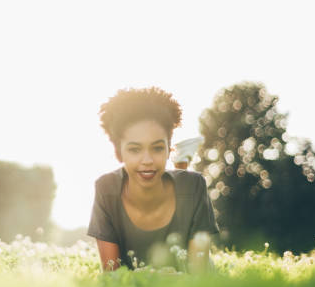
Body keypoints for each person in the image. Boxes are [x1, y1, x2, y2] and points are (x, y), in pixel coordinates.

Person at [87, 87, 220, 272]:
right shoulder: (106, 189)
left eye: (157, 148)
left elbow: (198, 275)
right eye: (135, 149)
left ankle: (182, 163)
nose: (147, 161)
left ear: (168, 150)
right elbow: (111, 275)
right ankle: (182, 162)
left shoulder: (194, 186)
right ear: (119, 153)